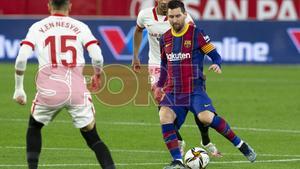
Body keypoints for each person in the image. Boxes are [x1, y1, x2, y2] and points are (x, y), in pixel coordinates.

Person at [12, 0, 115, 169]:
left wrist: (18, 88)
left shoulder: (37, 27)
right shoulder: (81, 27)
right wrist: (97, 74)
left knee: (34, 126)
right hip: (76, 90)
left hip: (49, 91)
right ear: (70, 6)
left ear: (48, 5)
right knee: (93, 137)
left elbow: (21, 58)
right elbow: (97, 57)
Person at [154, 1, 257, 168]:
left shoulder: (196, 34)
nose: (174, 20)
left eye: (178, 16)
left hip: (195, 89)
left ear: (185, 15)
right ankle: (177, 161)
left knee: (205, 117)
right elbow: (164, 64)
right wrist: (160, 85)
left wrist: (217, 63)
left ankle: (241, 145)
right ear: (167, 17)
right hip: (174, 91)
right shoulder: (165, 38)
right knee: (164, 115)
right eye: (171, 17)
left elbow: (215, 55)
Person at [132, 0, 221, 157]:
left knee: (196, 106)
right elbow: (138, 31)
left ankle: (205, 140)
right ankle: (178, 141)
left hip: (182, 66)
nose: (165, 2)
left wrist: (198, 69)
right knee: (161, 103)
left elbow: (195, 41)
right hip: (157, 64)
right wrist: (135, 55)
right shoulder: (144, 15)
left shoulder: (182, 17)